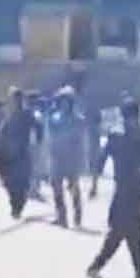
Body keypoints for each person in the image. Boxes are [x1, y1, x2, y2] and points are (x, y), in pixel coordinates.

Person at [87, 98, 140, 278]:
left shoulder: (117, 136)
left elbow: (100, 162)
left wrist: (94, 185)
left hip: (128, 190)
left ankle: (139, 274)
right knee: (121, 233)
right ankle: (97, 266)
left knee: (130, 233)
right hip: (129, 191)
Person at [0, 87, 41, 219]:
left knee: (23, 181)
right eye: (14, 99)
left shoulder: (27, 114)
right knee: (9, 182)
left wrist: (36, 142)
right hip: (7, 153)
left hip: (22, 152)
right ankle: (14, 204)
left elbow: (38, 128)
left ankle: (18, 206)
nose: (16, 102)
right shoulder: (6, 114)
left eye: (18, 99)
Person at [49, 86, 87, 228]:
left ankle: (77, 217)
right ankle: (61, 216)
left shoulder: (78, 119)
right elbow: (51, 138)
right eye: (62, 101)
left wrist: (81, 160)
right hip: (58, 158)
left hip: (72, 158)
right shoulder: (55, 118)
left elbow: (81, 142)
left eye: (67, 101)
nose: (64, 104)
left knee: (74, 188)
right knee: (56, 187)